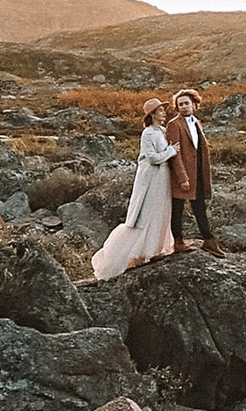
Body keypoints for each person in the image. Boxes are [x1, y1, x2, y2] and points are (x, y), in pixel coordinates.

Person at [90, 98, 176, 279]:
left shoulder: (162, 131)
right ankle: (128, 254)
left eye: (163, 110)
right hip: (151, 177)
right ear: (153, 114)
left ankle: (154, 248)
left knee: (160, 210)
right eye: (160, 110)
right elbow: (152, 158)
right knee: (146, 212)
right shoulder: (148, 133)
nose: (164, 113)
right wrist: (171, 151)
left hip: (162, 176)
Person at [166, 89, 218, 250]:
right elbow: (175, 154)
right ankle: (178, 241)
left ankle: (208, 240)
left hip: (198, 173)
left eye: (186, 103)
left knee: (199, 206)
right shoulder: (174, 124)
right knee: (178, 208)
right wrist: (182, 178)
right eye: (180, 104)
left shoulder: (196, 122)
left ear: (194, 105)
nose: (183, 107)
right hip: (182, 174)